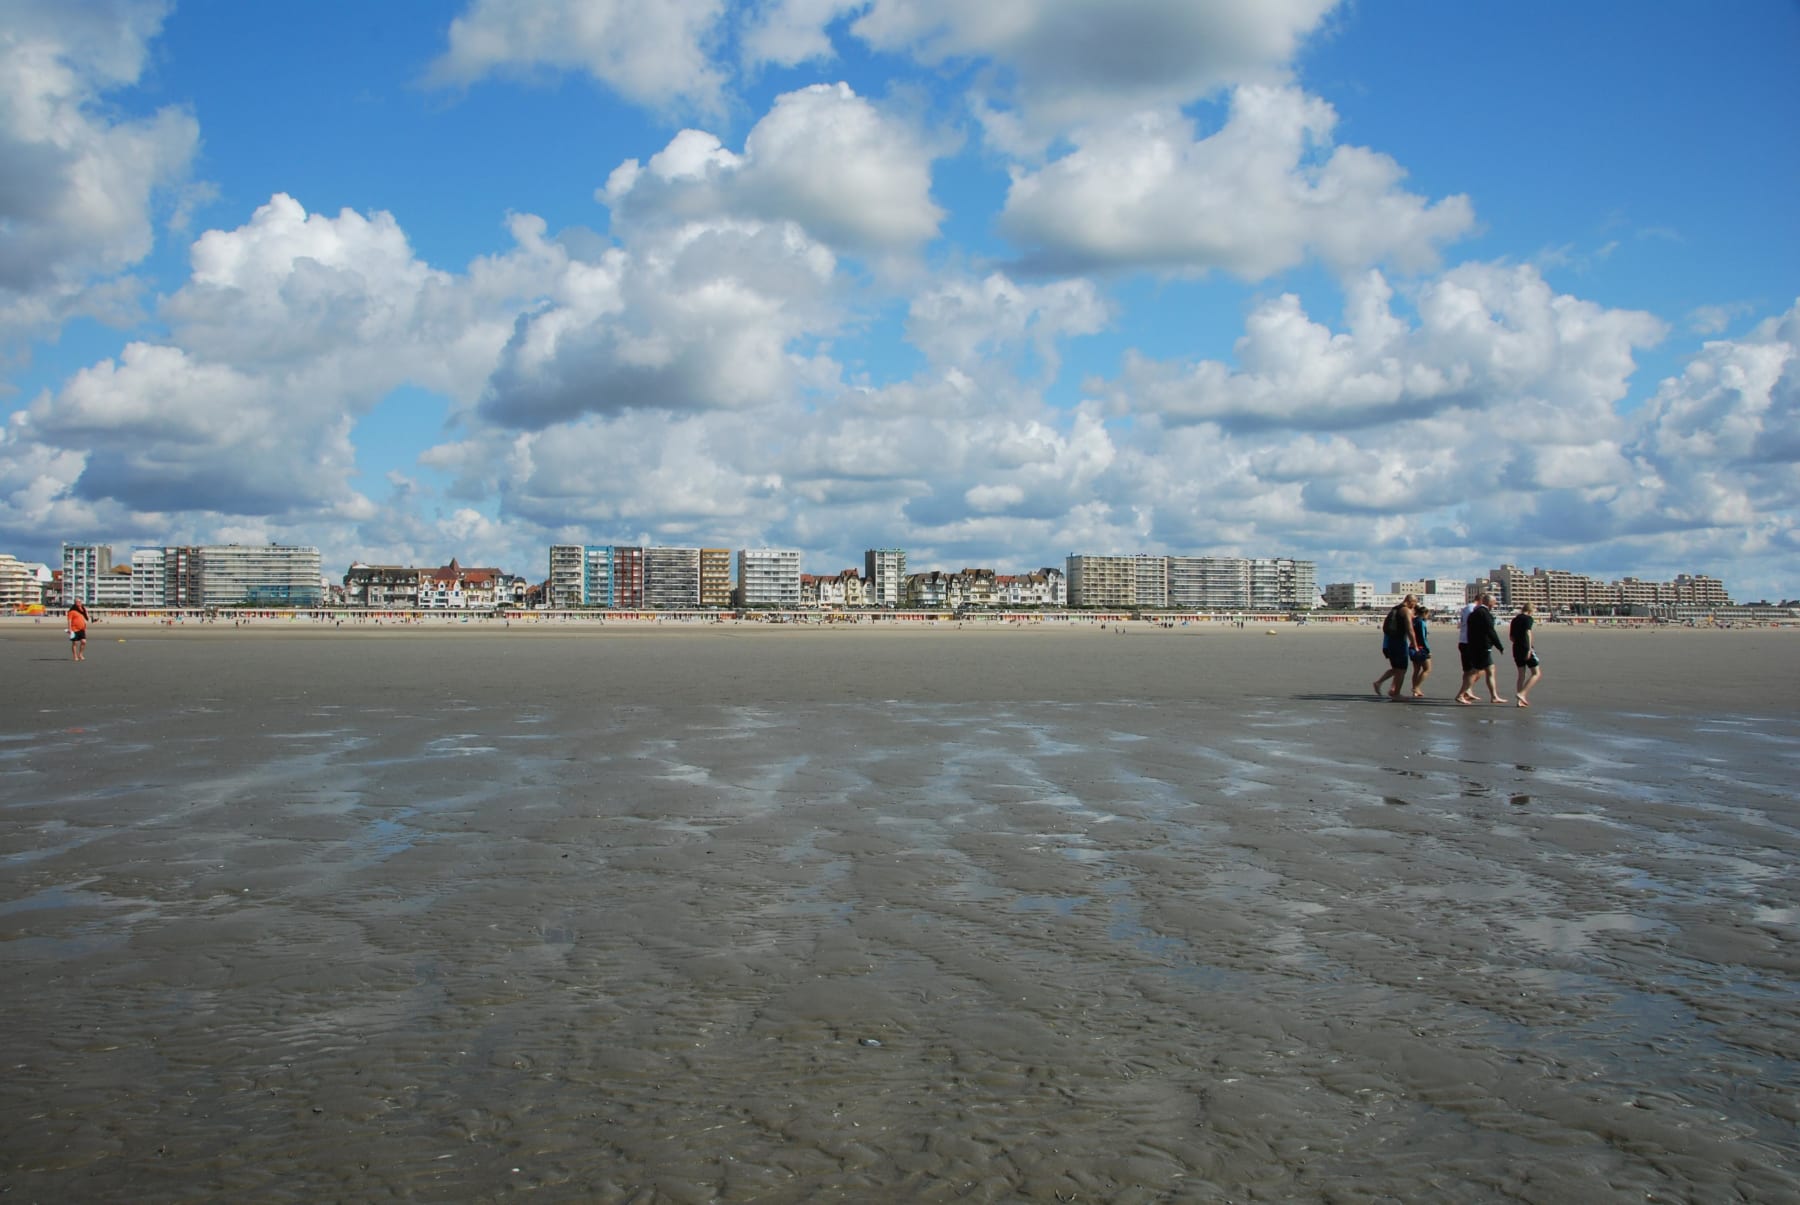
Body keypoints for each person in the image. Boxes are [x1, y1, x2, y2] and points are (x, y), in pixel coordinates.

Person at [1457, 593, 1506, 704]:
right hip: (1482, 647)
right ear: (1490, 603)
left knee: (1489, 670)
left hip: (1475, 645)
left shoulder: (1474, 613)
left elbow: (1470, 630)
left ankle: (1494, 696)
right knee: (1475, 671)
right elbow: (1490, 631)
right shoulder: (1484, 613)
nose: (1495, 605)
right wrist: (1499, 646)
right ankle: (1461, 694)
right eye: (1494, 602)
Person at [1373, 594, 1418, 699]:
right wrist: (1414, 644)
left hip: (1390, 642)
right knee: (1402, 669)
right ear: (1410, 601)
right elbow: (1409, 629)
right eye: (1415, 603)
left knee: (1396, 669)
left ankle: (1379, 683)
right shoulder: (1405, 610)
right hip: (1399, 642)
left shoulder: (1395, 609)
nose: (1415, 606)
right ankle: (1396, 693)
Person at [1511, 602, 1542, 707]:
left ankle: (1520, 701)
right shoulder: (1528, 619)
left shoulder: (1515, 620)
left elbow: (1511, 637)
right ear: (1530, 610)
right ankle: (1522, 694)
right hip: (1525, 648)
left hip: (1516, 648)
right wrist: (1529, 649)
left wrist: (1518, 643)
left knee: (1521, 675)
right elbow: (1528, 633)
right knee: (1536, 673)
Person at [1409, 606, 1433, 698]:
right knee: (1427, 669)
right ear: (1424, 614)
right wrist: (1428, 650)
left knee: (1416, 670)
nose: (1428, 616)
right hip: (1421, 648)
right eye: (1427, 614)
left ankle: (1415, 690)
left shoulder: (1413, 621)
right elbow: (1423, 638)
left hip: (1412, 647)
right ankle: (1416, 687)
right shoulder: (1421, 622)